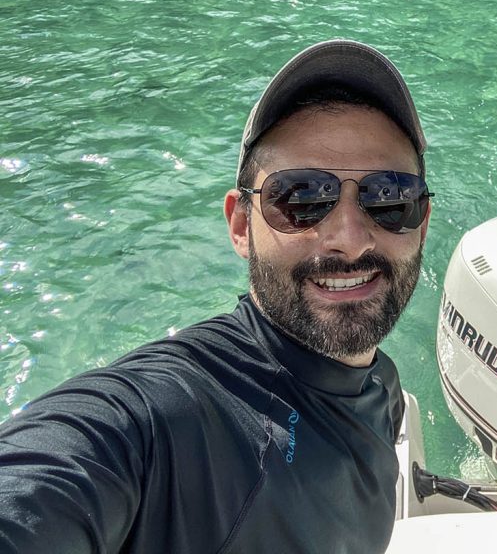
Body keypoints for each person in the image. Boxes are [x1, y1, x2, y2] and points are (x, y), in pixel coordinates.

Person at [0, 40, 432, 553]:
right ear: (241, 225)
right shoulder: (162, 422)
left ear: (422, 223)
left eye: (389, 196)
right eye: (301, 197)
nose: (350, 236)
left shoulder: (380, 384)